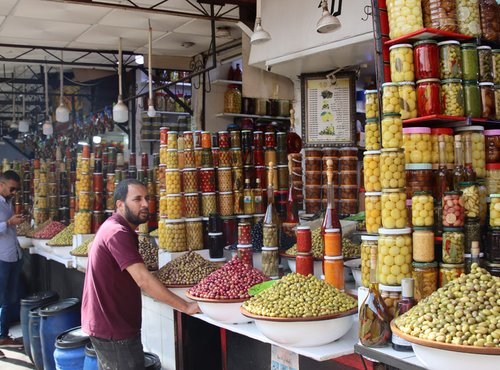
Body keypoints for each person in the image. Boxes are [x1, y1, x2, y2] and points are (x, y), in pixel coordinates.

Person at [82, 179, 200, 369]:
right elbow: (143, 280)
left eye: (146, 198)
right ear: (120, 205)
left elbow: (94, 249)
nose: (145, 204)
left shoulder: (113, 226)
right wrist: (185, 306)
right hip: (114, 329)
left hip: (108, 325)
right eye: (137, 199)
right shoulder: (118, 232)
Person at [0, 170, 24, 358]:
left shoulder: (7, 202)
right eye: (12, 188)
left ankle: (3, 335)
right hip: (2, 258)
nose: (13, 192)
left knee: (10, 298)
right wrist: (8, 222)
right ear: (2, 184)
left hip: (13, 255)